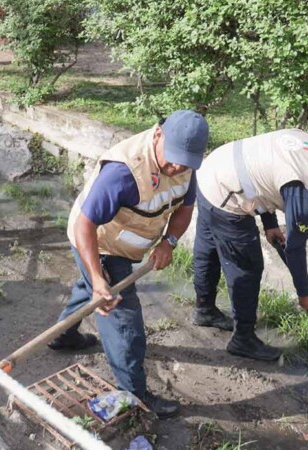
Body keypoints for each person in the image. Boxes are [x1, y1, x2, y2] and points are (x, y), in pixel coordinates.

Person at [47, 110, 209, 418]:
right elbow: (85, 227)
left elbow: (185, 210)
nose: (176, 168)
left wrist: (169, 242)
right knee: (123, 321)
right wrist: (98, 278)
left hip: (128, 243)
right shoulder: (124, 172)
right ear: (158, 135)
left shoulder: (187, 166)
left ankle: (62, 335)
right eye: (173, 158)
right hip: (101, 243)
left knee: (88, 291)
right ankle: (134, 393)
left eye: (185, 162)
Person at [192, 129, 308, 361]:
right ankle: (243, 340)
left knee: (208, 249)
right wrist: (305, 293)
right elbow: (295, 248)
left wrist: (270, 223)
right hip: (226, 196)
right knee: (247, 267)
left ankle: (204, 310)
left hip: (212, 171)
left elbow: (263, 173)